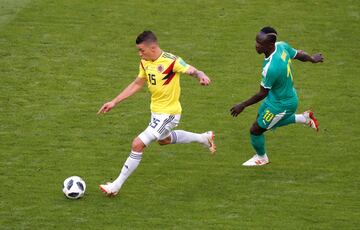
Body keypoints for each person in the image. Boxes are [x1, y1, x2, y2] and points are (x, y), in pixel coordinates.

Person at [97, 31, 216, 196]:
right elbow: (138, 83)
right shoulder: (145, 62)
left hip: (169, 115)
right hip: (156, 113)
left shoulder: (171, 61)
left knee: (137, 144)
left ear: (152, 47)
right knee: (164, 140)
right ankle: (204, 138)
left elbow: (193, 70)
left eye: (141, 50)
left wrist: (201, 76)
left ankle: (115, 186)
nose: (140, 54)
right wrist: (114, 101)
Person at [230, 26, 324, 166]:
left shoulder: (271, 68)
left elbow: (262, 93)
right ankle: (304, 118)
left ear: (270, 44)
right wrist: (312, 59)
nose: (256, 45)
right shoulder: (282, 46)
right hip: (277, 97)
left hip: (282, 104)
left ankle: (262, 158)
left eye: (260, 43)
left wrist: (242, 105)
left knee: (256, 130)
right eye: (256, 41)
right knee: (261, 120)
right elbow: (299, 54)